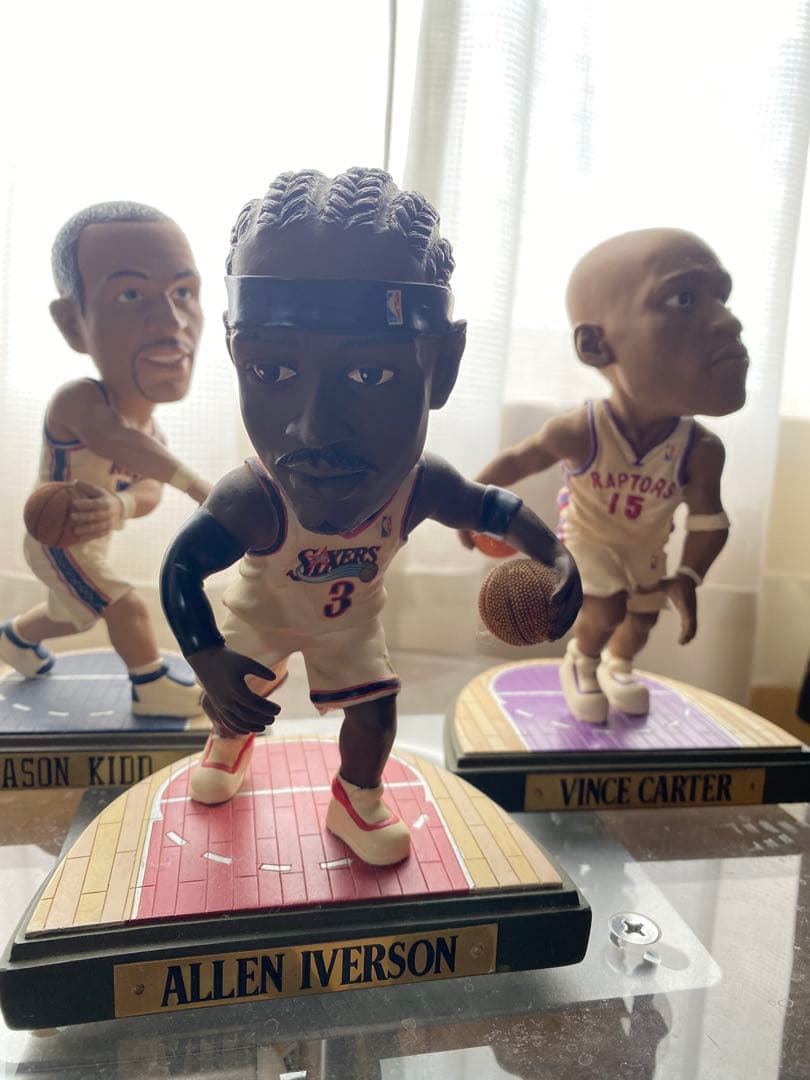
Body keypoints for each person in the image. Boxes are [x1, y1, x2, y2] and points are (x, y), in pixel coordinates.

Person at [160, 167, 581, 866]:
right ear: (235, 358)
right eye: (271, 371)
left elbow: (492, 509)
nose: (314, 428)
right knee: (237, 696)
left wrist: (555, 555)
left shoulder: (417, 486)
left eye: (370, 375)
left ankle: (356, 796)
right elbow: (181, 567)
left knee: (376, 711)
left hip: (348, 622)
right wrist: (208, 659)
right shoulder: (254, 497)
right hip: (263, 616)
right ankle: (228, 744)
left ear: (444, 366)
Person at [460, 228, 749, 724]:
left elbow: (709, 522)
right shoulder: (584, 429)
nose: (729, 321)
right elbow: (520, 460)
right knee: (607, 607)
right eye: (683, 298)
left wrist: (688, 577)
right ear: (596, 344)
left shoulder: (700, 450)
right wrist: (471, 505)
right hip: (589, 539)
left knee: (642, 618)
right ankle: (582, 660)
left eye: (721, 298)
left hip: (645, 546)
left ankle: (618, 664)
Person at [0, 202, 209, 717]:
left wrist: (119, 508)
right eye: (131, 294)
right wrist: (199, 487)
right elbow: (114, 441)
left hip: (89, 540)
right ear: (73, 324)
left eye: (184, 292)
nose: (172, 321)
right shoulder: (79, 401)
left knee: (74, 612)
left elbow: (147, 488)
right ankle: (149, 685)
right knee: (124, 603)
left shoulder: (150, 432)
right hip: (57, 538)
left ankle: (15, 640)